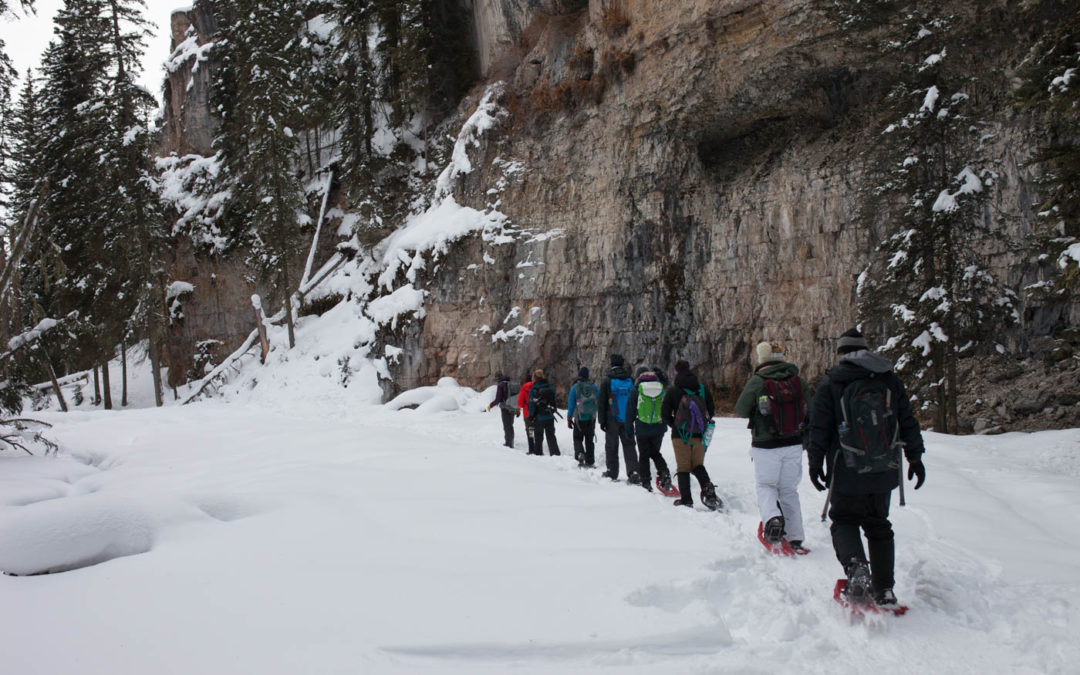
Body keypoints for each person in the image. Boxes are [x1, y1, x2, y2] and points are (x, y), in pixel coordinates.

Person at [807, 328, 927, 606]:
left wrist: (815, 463)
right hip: (884, 468)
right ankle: (884, 589)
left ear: (841, 354)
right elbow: (907, 421)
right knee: (879, 525)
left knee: (845, 521)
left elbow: (819, 428)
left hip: (846, 468)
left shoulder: (833, 382)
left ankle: (857, 569)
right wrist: (916, 457)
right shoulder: (889, 380)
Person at [735, 341, 810, 551]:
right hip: (794, 442)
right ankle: (795, 536)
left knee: (766, 485)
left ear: (762, 359)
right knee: (789, 490)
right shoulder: (798, 381)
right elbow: (809, 408)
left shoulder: (758, 381)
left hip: (766, 444)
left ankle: (773, 520)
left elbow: (741, 409)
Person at [661, 359, 721, 509]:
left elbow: (664, 413)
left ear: (676, 372)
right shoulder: (701, 389)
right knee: (698, 465)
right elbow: (711, 410)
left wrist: (675, 425)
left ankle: (686, 499)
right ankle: (708, 491)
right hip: (700, 434)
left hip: (679, 435)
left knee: (683, 467)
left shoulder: (673, 390)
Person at [627, 366, 672, 492]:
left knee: (644, 456)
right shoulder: (661, 387)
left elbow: (630, 412)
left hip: (642, 428)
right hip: (659, 428)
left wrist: (628, 430)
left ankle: (646, 482)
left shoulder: (636, 390)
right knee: (655, 453)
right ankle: (664, 473)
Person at [597, 354, 640, 482]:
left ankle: (612, 472)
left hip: (612, 419)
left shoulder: (607, 381)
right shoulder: (630, 380)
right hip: (627, 418)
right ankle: (633, 471)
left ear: (611, 364)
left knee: (611, 445)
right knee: (629, 445)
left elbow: (602, 402)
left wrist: (602, 421)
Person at [566, 366, 599, 467]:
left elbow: (571, 404)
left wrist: (569, 417)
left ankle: (580, 453)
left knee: (577, 438)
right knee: (589, 440)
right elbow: (598, 400)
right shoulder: (594, 387)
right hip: (591, 418)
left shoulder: (575, 387)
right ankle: (590, 461)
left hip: (579, 418)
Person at [527, 369, 561, 456]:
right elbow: (554, 400)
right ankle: (555, 455)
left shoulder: (533, 390)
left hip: (539, 417)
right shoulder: (550, 388)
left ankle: (538, 455)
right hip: (549, 415)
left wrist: (531, 415)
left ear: (535, 377)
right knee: (551, 436)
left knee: (538, 437)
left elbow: (531, 404)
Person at [486, 372, 518, 448]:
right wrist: (517, 409)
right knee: (510, 425)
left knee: (507, 426)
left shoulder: (501, 385)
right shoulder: (511, 383)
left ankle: (508, 443)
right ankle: (511, 441)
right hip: (513, 407)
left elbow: (498, 399)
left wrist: (490, 405)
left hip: (505, 408)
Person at [517, 370, 536, 454]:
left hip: (527, 413)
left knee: (530, 430)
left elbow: (520, 404)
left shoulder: (524, 388)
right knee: (538, 429)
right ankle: (538, 449)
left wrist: (525, 404)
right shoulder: (536, 386)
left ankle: (531, 449)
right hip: (536, 412)